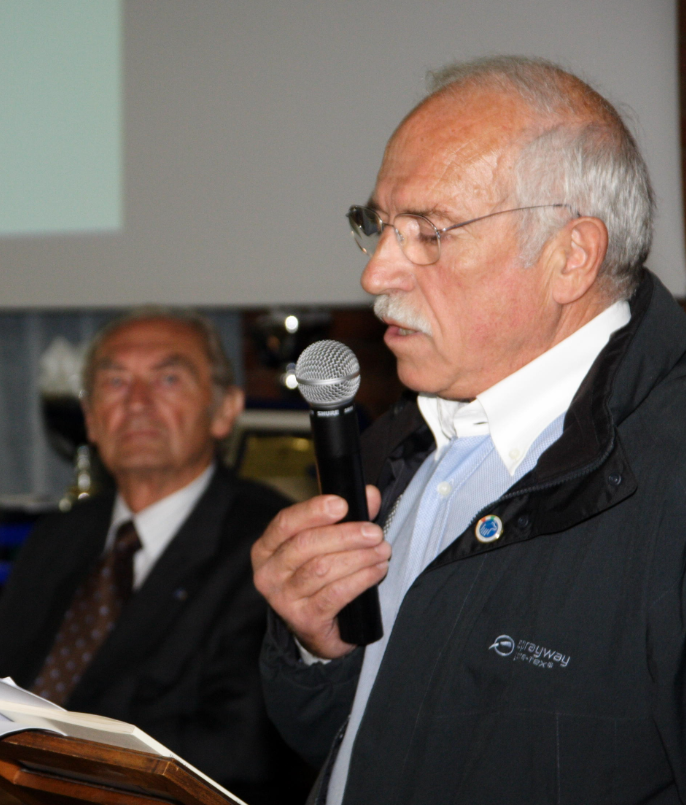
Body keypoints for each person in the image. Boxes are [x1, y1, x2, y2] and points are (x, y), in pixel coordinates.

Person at [253, 56, 686, 804]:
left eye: (429, 231)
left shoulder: (671, 479)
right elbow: (352, 742)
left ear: (571, 257)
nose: (376, 274)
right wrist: (319, 650)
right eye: (378, 226)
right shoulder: (396, 444)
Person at [0, 309, 312, 805]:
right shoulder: (61, 535)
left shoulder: (268, 544)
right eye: (115, 382)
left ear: (225, 411)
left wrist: (33, 779)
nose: (137, 403)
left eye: (168, 379)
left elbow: (241, 748)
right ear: (90, 417)